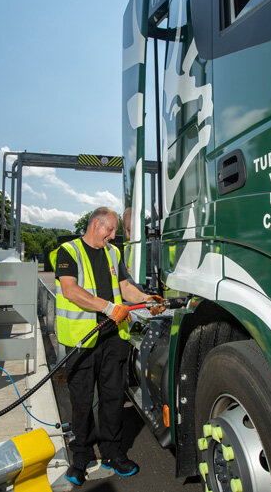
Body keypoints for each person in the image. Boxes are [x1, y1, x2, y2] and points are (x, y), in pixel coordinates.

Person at [52, 207, 164, 486]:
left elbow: (124, 287)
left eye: (114, 231)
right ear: (95, 224)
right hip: (83, 339)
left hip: (113, 338)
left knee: (113, 399)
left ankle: (113, 454)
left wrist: (146, 299)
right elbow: (70, 290)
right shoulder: (68, 251)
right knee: (81, 402)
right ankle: (82, 457)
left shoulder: (113, 253)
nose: (113, 236)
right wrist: (108, 307)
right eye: (110, 230)